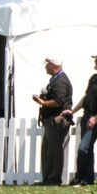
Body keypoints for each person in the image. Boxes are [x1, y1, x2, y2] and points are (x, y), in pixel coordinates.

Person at [60, 51, 97, 185]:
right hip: (86, 115)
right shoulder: (93, 78)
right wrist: (72, 111)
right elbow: (86, 98)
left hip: (96, 117)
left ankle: (81, 177)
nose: (95, 62)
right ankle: (87, 179)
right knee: (87, 148)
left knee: (83, 147)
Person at [33, 56, 73, 186]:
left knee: (54, 151)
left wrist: (43, 102)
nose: (45, 67)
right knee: (48, 150)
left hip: (57, 120)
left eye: (47, 65)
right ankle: (48, 178)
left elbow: (58, 101)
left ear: (53, 66)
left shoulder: (60, 81)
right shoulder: (56, 79)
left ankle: (53, 179)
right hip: (52, 120)